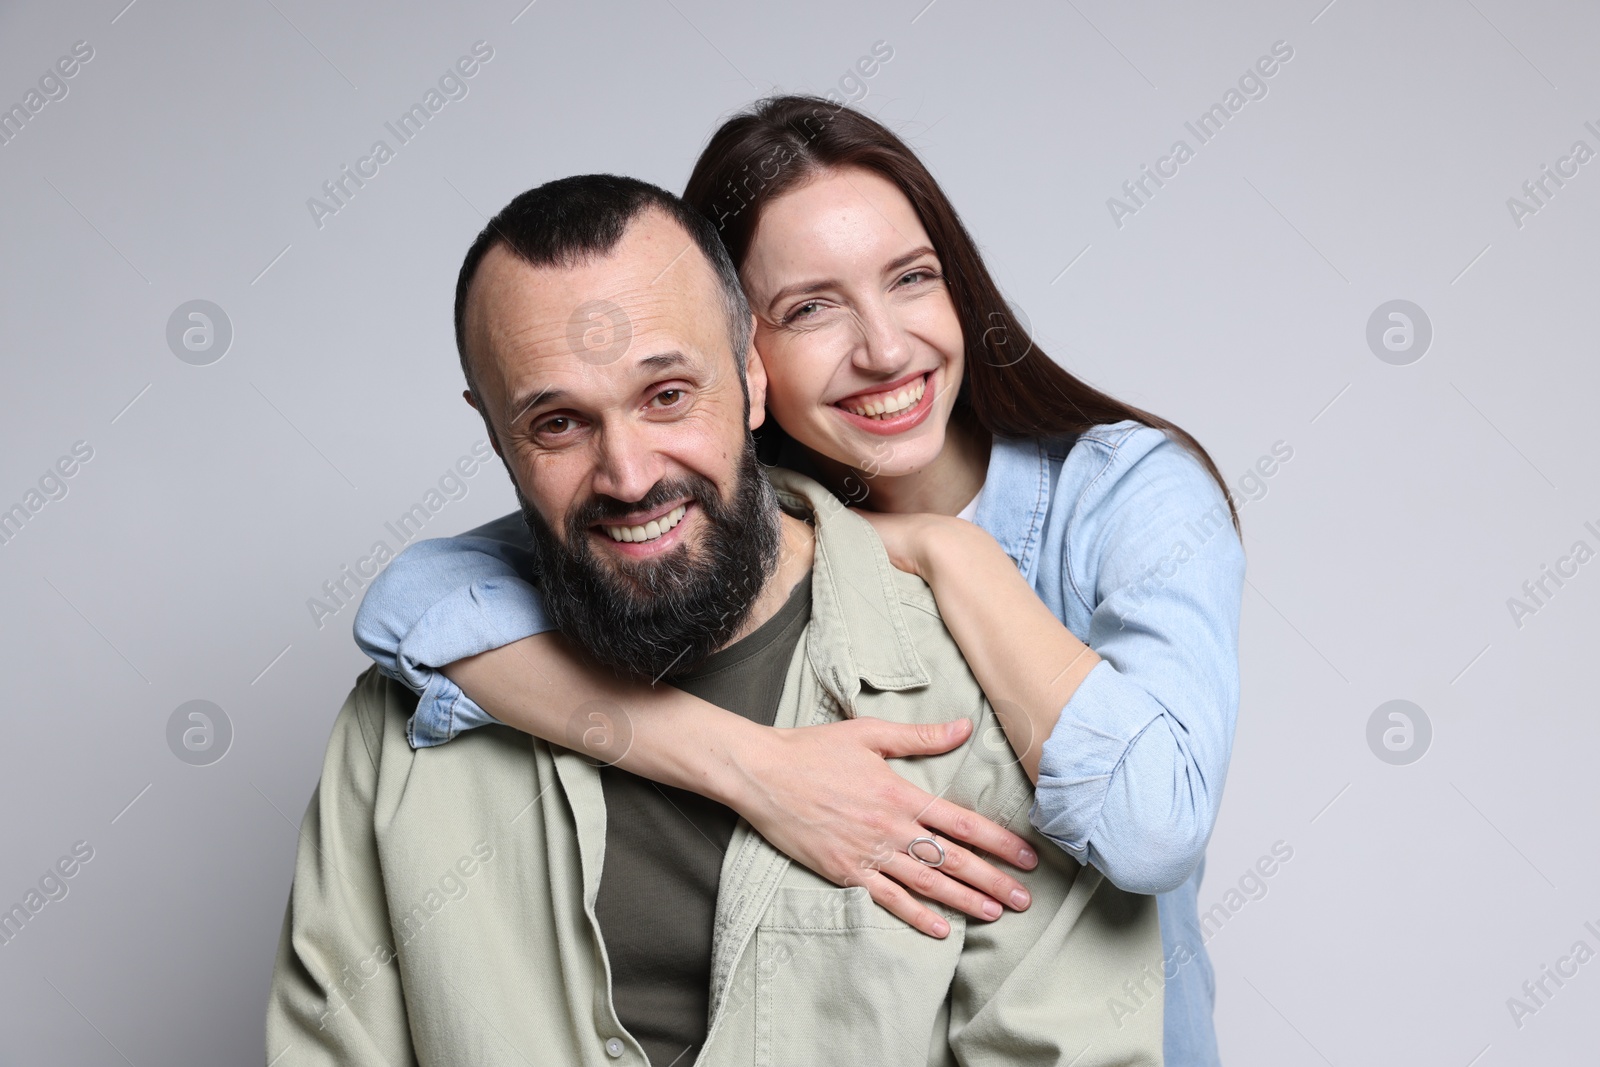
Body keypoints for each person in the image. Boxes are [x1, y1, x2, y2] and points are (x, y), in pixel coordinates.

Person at [355, 96, 1246, 1064]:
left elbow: (1154, 824)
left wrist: (954, 555)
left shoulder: (1126, 493)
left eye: (911, 279)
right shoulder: (728, 521)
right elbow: (413, 602)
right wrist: (750, 766)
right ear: (742, 352)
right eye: (811, 308)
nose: (885, 347)